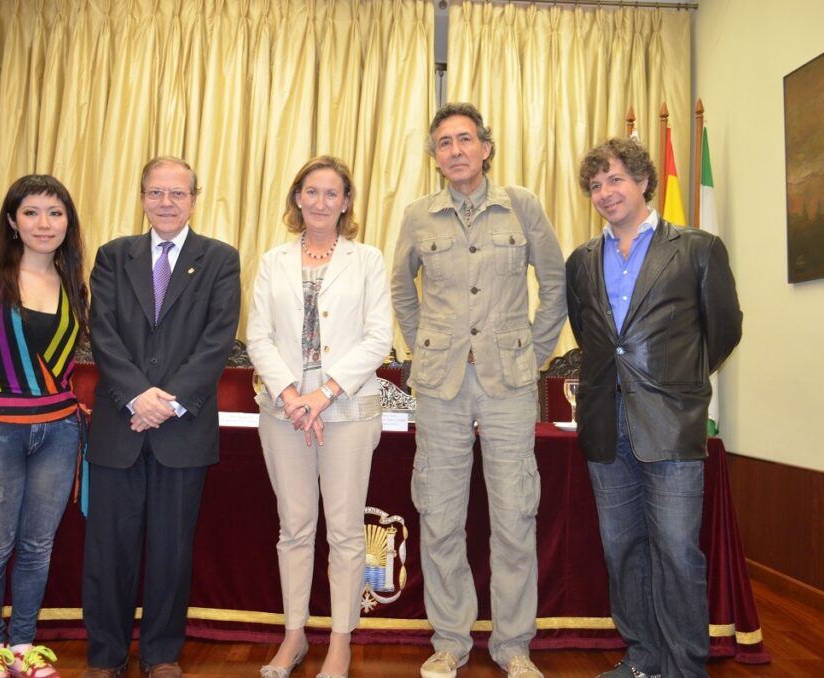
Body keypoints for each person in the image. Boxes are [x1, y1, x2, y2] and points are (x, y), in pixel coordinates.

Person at [391, 103, 567, 678]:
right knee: (440, 515)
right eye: (444, 142)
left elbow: (555, 282)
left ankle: (514, 645)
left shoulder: (522, 205)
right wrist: (425, 346)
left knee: (515, 514)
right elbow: (401, 291)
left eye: (465, 139)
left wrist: (534, 354)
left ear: (485, 148)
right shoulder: (418, 215)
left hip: (508, 383)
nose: (456, 150)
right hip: (440, 386)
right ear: (435, 156)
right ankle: (449, 641)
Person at [566, 138, 742, 678]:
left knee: (676, 551)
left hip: (672, 424)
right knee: (622, 550)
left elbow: (724, 330)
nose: (605, 192)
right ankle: (643, 659)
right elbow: (593, 338)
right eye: (595, 185)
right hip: (604, 423)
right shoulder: (580, 261)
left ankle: (685, 667)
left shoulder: (697, 248)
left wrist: (676, 382)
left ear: (643, 182)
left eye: (615, 179)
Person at [81, 156, 241, 678]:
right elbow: (102, 332)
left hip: (182, 428)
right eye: (156, 192)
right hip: (119, 424)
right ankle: (105, 655)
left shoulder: (220, 259)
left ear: (194, 199)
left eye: (177, 193)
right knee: (108, 550)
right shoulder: (113, 256)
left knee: (172, 551)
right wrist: (137, 396)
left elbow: (217, 339)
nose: (166, 202)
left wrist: (167, 402)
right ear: (142, 197)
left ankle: (161, 653)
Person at [247, 156, 393, 678]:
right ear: (297, 197)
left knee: (347, 532)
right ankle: (293, 636)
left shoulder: (367, 260)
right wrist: (292, 395)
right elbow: (258, 335)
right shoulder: (273, 261)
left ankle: (339, 642)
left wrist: (324, 395)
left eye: (332, 193)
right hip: (284, 412)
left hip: (347, 411)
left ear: (347, 202)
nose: (321, 202)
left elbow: (378, 337)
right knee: (294, 528)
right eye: (311, 191)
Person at [0, 175, 89, 678]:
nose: (43, 223)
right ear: (12, 221)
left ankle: (24, 646)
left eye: (55, 212)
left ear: (68, 222)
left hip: (59, 432)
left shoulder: (74, 284)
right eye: (31, 212)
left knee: (37, 546)